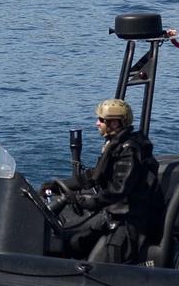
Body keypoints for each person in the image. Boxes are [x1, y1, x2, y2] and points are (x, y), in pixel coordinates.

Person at [40, 97, 162, 264]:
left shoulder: (130, 151)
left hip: (131, 218)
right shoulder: (116, 145)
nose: (97, 123)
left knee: (113, 253)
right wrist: (62, 185)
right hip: (115, 212)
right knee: (75, 242)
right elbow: (95, 175)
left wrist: (89, 202)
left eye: (101, 120)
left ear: (115, 124)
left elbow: (118, 190)